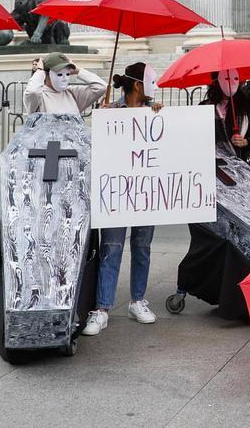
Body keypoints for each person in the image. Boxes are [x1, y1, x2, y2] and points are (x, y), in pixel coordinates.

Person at [83, 63, 161, 337]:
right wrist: (101, 121)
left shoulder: (154, 113)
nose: (155, 86)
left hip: (145, 193)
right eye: (151, 81)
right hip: (117, 193)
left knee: (142, 246)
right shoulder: (111, 113)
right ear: (138, 85)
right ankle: (102, 308)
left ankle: (137, 300)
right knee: (111, 247)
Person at [200, 69, 250, 164]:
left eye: (235, 78)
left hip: (244, 164)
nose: (232, 82)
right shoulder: (205, 107)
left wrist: (246, 142)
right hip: (213, 165)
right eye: (227, 78)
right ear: (216, 81)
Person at [24, 52, 106, 115]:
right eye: (59, 74)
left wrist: (78, 70)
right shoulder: (40, 97)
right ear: (47, 74)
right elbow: (32, 92)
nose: (64, 78)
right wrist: (40, 72)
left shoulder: (72, 93)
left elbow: (101, 87)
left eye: (67, 74)